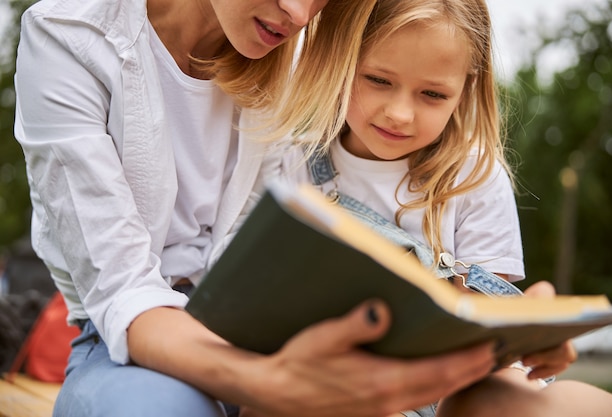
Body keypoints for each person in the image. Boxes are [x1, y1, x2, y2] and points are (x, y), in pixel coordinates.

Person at [12, 0, 505, 416]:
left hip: (272, 338)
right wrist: (267, 383)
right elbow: (122, 293)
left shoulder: (304, 64)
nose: (297, 12)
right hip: (133, 351)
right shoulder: (71, 38)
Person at [241, 0, 612, 416]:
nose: (400, 113)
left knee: (512, 401)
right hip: (335, 379)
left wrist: (532, 333)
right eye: (377, 80)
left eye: (432, 94)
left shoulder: (474, 177)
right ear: (342, 58)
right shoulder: (290, 165)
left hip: (455, 386)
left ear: (465, 88)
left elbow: (486, 323)